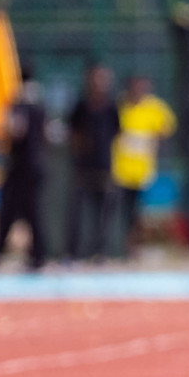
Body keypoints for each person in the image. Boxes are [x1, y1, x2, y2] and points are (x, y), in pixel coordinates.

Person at [0, 65, 49, 271]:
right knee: (33, 213)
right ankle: (37, 256)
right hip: (36, 167)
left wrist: (1, 129)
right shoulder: (39, 104)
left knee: (10, 213)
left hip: (21, 168)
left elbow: (17, 129)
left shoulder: (19, 104)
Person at [111, 75, 177, 259]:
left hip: (143, 170)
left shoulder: (154, 107)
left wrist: (152, 139)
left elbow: (167, 128)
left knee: (141, 212)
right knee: (121, 211)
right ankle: (119, 247)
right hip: (120, 169)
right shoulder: (120, 106)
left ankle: (135, 247)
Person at [67, 64, 119, 262]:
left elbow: (116, 133)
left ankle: (101, 252)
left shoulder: (111, 107)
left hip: (105, 167)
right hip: (83, 168)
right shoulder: (81, 107)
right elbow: (74, 135)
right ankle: (74, 253)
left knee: (104, 215)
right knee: (78, 213)